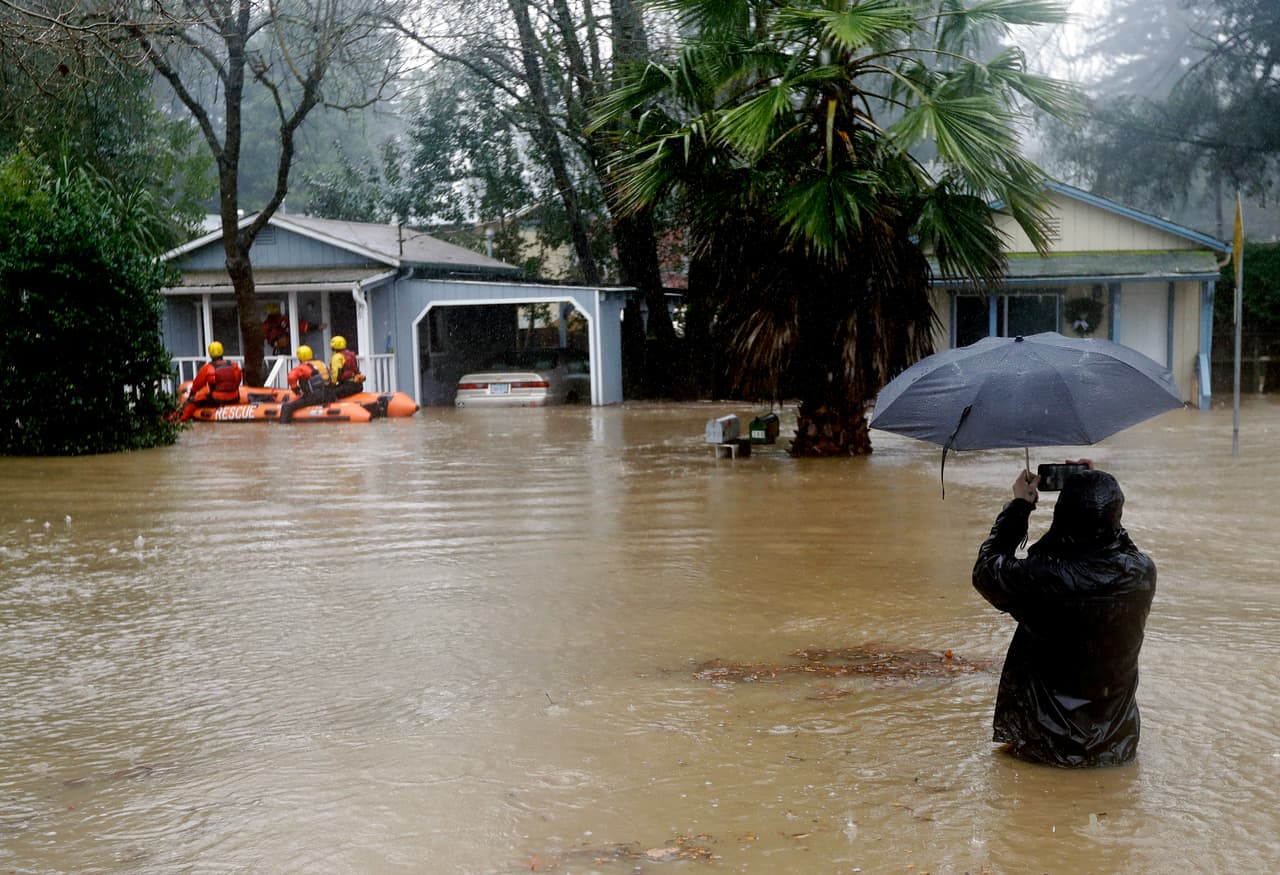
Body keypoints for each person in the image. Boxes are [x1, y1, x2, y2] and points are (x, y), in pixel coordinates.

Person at [972, 464, 1156, 767]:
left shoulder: (1042, 578)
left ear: (1063, 516)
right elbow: (1115, 541)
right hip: (1116, 747)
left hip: (1043, 749)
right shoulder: (1141, 574)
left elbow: (986, 569)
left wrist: (1019, 506)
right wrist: (1096, 487)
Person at [180, 341, 243, 421]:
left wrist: (191, 395)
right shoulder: (234, 365)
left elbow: (197, 385)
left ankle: (181, 420)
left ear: (210, 354)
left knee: (192, 402)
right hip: (234, 398)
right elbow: (238, 381)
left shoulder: (207, 368)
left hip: (216, 400)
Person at [280, 345, 334, 422]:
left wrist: (296, 390)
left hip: (314, 397)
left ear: (300, 357)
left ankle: (284, 428)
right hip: (328, 395)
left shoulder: (303, 367)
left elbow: (291, 377)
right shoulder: (321, 363)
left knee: (287, 407)